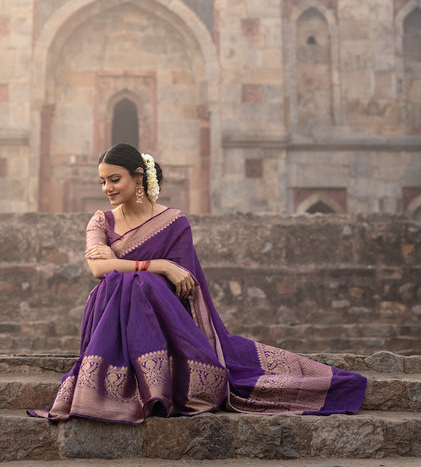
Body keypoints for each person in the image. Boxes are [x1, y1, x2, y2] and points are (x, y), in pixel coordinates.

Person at [28, 144, 366, 424]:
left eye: (114, 179)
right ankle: (125, 384)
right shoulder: (100, 219)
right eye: (102, 182)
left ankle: (160, 381)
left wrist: (128, 268)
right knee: (130, 284)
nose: (107, 189)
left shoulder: (175, 222)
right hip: (109, 312)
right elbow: (98, 270)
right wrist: (158, 265)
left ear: (139, 177)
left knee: (141, 286)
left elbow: (184, 285)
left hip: (161, 317)